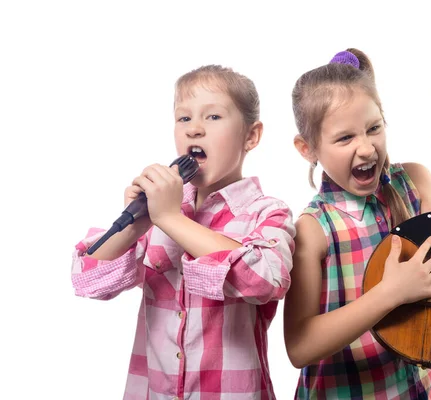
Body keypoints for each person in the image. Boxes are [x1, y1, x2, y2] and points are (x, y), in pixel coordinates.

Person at [71, 64, 295, 400]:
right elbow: (87, 279)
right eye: (184, 118)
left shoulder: (267, 213)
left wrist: (172, 219)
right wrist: (138, 224)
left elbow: (265, 279)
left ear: (251, 135)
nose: (194, 130)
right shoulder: (159, 214)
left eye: (213, 117)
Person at [283, 48, 431, 399]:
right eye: (345, 138)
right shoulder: (314, 229)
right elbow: (299, 347)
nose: (367, 148)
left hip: (417, 388)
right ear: (307, 148)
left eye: (373, 128)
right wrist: (389, 295)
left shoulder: (414, 181)